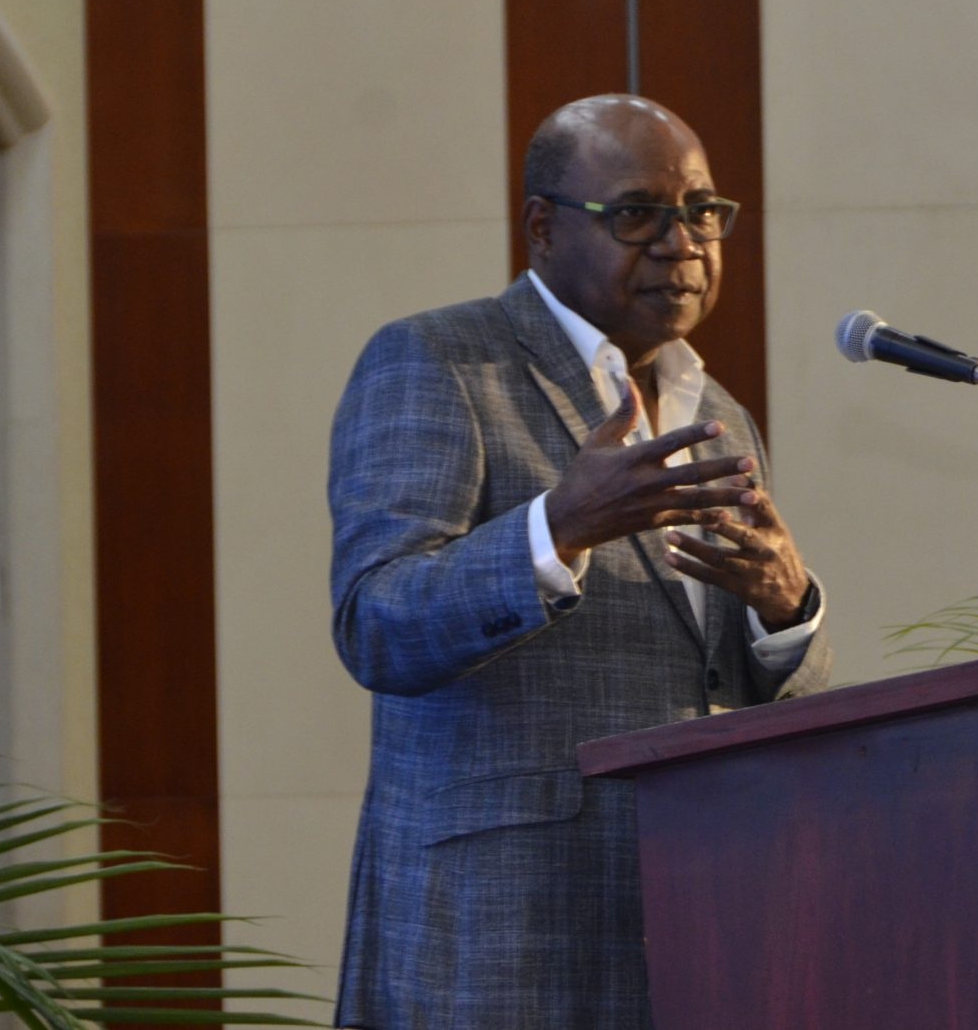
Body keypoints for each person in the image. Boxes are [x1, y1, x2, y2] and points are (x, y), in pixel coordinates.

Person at [327, 95, 831, 1029]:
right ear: (543, 226)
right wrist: (554, 528)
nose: (683, 242)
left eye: (703, 212)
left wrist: (784, 609)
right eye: (639, 212)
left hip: (696, 906)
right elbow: (376, 623)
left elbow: (728, 681)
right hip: (502, 921)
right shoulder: (439, 362)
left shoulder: (717, 409)